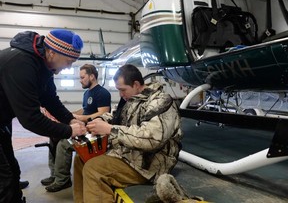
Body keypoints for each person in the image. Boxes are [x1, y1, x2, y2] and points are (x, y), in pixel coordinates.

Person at [73, 64, 183, 202]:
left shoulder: (161, 101)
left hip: (149, 164)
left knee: (94, 169)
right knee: (80, 159)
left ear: (136, 84)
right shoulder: (130, 99)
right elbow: (114, 115)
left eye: (122, 90)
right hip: (129, 153)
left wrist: (109, 129)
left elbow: (152, 139)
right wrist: (95, 123)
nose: (121, 94)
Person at [0, 29, 87, 203]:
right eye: (69, 62)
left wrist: (70, 119)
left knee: (13, 170)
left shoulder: (45, 65)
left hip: (2, 120)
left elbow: (50, 99)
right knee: (4, 179)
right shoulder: (22, 63)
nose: (69, 67)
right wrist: (69, 130)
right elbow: (30, 119)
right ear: (52, 52)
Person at [41, 64, 111, 192]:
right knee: (54, 137)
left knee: (64, 143)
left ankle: (63, 180)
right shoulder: (87, 93)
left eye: (82, 77)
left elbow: (103, 113)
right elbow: (84, 110)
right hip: (84, 127)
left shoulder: (102, 93)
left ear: (92, 76)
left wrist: (81, 118)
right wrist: (69, 115)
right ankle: (55, 175)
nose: (80, 80)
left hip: (94, 131)